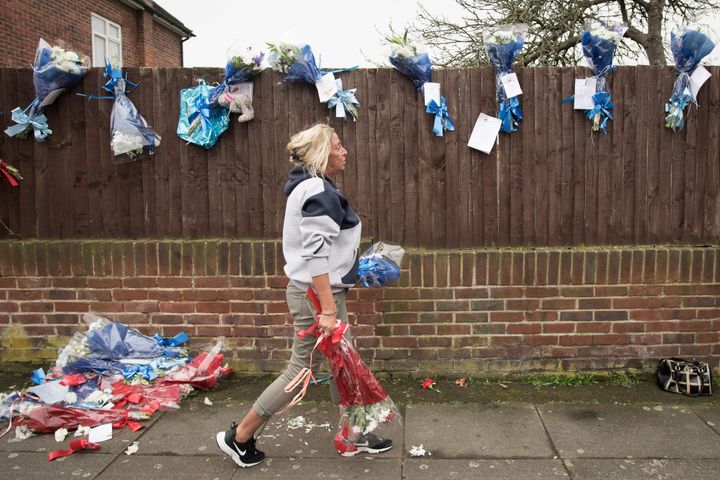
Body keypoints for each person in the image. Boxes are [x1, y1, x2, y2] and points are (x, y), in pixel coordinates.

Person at [215, 124, 392, 468]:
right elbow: (314, 254)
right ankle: (239, 438)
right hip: (317, 300)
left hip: (319, 295)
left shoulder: (311, 187)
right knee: (299, 371)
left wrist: (351, 268)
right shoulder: (318, 191)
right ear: (323, 154)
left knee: (344, 367)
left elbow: (322, 247)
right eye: (338, 146)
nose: (345, 152)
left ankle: (353, 436)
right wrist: (327, 309)